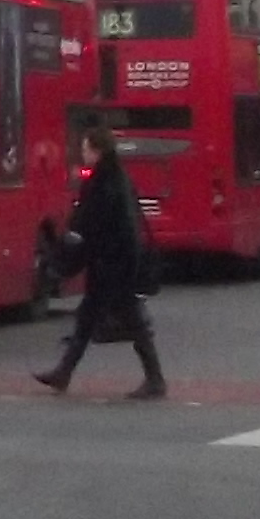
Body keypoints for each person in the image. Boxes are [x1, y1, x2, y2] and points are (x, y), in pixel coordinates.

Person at [34, 112, 168, 400]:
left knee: (129, 321)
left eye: (85, 148)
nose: (82, 152)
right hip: (113, 264)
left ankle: (155, 380)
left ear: (97, 150)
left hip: (113, 266)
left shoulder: (105, 184)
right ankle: (64, 372)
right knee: (90, 319)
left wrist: (72, 249)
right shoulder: (115, 178)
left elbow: (94, 225)